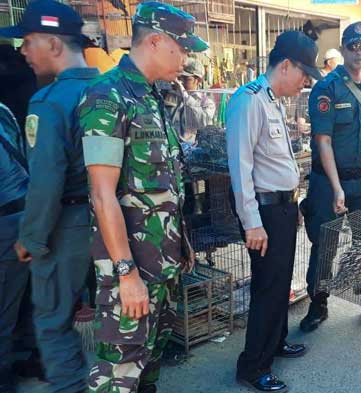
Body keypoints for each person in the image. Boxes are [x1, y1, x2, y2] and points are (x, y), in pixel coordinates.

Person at [77, 2, 207, 392]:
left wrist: (181, 248)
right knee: (118, 375)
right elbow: (102, 196)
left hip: (161, 267)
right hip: (131, 272)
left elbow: (163, 183)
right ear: (154, 41)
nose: (186, 58)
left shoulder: (153, 97)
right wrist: (126, 275)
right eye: (182, 48)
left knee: (148, 367)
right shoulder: (108, 97)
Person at [1, 1, 99, 391]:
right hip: (113, 223)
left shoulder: (50, 102)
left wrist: (31, 238)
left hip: (67, 225)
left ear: (54, 44)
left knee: (53, 323)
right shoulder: (109, 90)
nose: (22, 51)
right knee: (114, 321)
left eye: (27, 41)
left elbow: (45, 182)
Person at [227, 30, 322, 393]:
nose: (305, 83)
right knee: (267, 288)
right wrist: (252, 222)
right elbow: (241, 167)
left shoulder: (273, 100)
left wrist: (291, 202)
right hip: (263, 215)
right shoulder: (248, 101)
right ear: (285, 66)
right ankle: (253, 366)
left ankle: (275, 342)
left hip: (281, 209)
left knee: (280, 283)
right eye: (304, 75)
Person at [300, 21, 361, 332]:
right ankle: (318, 304)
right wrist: (337, 188)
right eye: (353, 46)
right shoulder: (327, 87)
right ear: (345, 46)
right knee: (325, 245)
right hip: (330, 182)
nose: (359, 52)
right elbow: (323, 140)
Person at [0, 103, 30, 393]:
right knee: (15, 300)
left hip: (6, 220)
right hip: (24, 214)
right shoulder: (6, 111)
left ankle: (3, 372)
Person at [171, 57, 216, 143]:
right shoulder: (171, 96)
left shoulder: (206, 103)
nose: (181, 82)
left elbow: (202, 122)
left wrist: (185, 96)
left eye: (187, 79)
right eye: (180, 78)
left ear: (198, 80)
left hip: (190, 149)